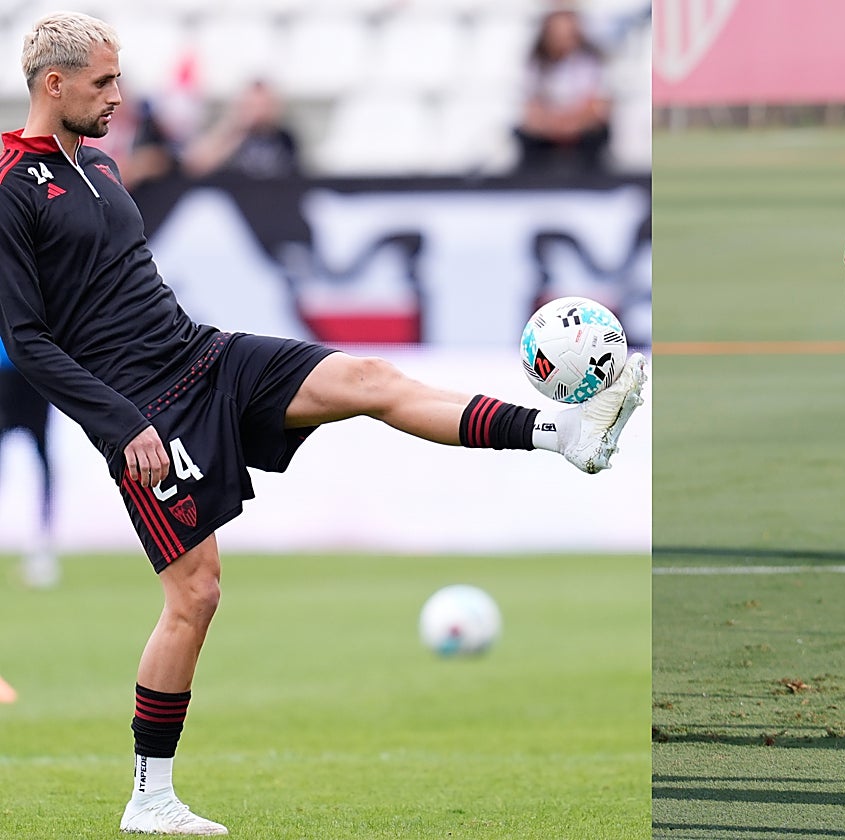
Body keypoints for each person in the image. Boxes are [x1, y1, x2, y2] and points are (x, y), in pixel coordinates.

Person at [0, 13, 647, 836]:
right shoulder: (11, 188)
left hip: (203, 354)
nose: (117, 96)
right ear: (53, 86)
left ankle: (569, 436)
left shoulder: (99, 161)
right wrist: (119, 423)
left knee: (370, 379)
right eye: (101, 83)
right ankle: (149, 798)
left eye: (118, 79)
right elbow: (27, 338)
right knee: (195, 596)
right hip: (144, 410)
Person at [514, 7, 612, 174]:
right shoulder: (534, 64)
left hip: (581, 132)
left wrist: (570, 126)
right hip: (546, 133)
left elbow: (596, 107)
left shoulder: (591, 61)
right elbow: (531, 110)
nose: (562, 40)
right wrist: (554, 126)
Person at [0, 338, 57, 588]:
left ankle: (43, 547)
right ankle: (42, 550)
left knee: (42, 458)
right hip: (9, 372)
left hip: (30, 370)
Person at [180, 79, 299, 179]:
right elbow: (195, 165)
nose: (260, 110)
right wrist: (235, 126)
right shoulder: (234, 133)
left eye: (265, 104)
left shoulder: (284, 138)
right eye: (253, 105)